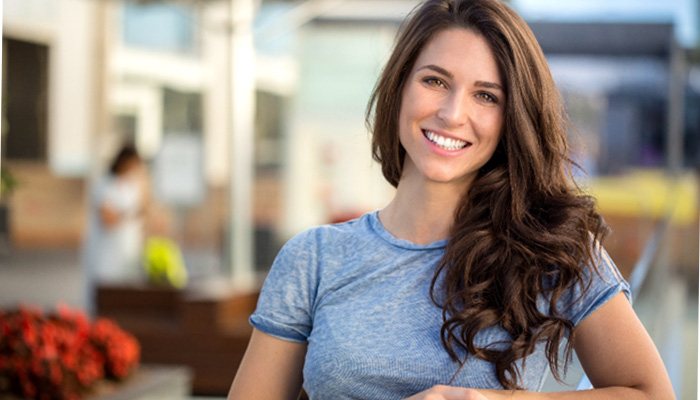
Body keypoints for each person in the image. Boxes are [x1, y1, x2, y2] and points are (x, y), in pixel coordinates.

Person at [228, 0, 674, 399]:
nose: (453, 113)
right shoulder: (314, 259)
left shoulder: (552, 250)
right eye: (435, 81)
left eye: (485, 95)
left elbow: (651, 393)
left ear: (511, 118)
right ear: (400, 85)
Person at [84, 145, 146, 313]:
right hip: (106, 254)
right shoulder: (105, 184)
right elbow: (107, 219)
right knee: (105, 298)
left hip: (128, 252)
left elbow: (141, 212)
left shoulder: (131, 186)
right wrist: (128, 214)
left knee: (125, 299)